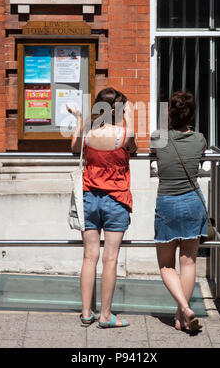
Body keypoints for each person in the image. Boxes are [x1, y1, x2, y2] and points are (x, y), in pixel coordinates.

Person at [67, 87, 137, 328]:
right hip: (117, 199)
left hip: (89, 197)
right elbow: (133, 149)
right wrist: (127, 114)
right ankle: (106, 316)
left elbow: (75, 149)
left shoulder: (88, 133)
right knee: (110, 258)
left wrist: (78, 119)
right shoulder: (124, 133)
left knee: (89, 257)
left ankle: (87, 313)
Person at [151, 91, 208, 333]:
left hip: (167, 203)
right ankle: (181, 318)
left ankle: (184, 309)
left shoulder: (158, 137)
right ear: (192, 113)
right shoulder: (200, 139)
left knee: (166, 266)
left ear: (169, 114)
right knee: (188, 262)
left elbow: (156, 154)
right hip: (193, 202)